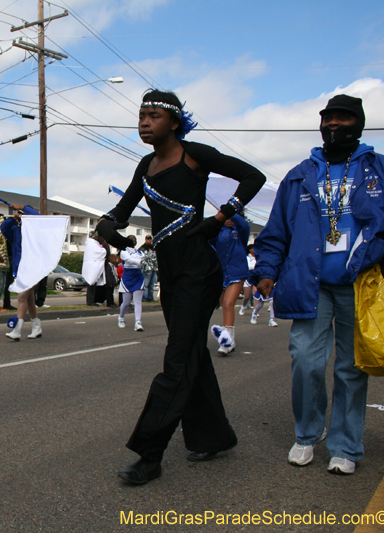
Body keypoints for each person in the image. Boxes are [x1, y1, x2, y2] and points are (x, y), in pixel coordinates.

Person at [96, 89, 265, 485]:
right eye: (141, 115)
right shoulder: (145, 164)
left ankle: (149, 455)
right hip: (169, 272)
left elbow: (252, 177)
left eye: (153, 115)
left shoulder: (195, 155)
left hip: (198, 270)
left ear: (173, 122)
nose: (144, 122)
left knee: (176, 360)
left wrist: (223, 214)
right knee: (192, 354)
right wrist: (108, 225)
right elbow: (121, 212)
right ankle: (215, 436)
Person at [252, 94, 384, 475]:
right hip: (310, 281)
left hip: (361, 283)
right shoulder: (299, 175)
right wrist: (267, 271)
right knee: (306, 361)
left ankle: (345, 445)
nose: (334, 125)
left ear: (358, 125)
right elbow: (277, 230)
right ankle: (308, 434)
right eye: (329, 118)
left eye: (343, 119)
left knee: (351, 367)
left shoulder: (383, 169)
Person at [209, 214, 250, 355]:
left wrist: (231, 211)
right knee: (223, 304)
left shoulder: (241, 231)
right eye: (225, 217)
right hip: (222, 273)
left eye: (231, 216)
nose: (228, 219)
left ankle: (227, 342)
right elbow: (208, 238)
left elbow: (244, 225)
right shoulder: (219, 232)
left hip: (237, 272)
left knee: (228, 303)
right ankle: (229, 337)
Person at [1, 204, 42, 340]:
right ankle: (36, 327)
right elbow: (3, 228)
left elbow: (39, 218)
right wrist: (14, 218)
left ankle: (17, 330)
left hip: (35, 269)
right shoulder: (16, 231)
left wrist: (24, 208)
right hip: (22, 269)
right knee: (29, 299)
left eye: (23, 214)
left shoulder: (37, 231)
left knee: (22, 297)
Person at [117, 235, 145, 331]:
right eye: (131, 239)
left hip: (138, 277)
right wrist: (141, 262)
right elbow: (129, 260)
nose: (133, 241)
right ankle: (121, 317)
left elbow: (145, 262)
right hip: (128, 278)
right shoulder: (123, 252)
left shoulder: (140, 252)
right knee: (126, 302)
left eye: (134, 239)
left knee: (137, 301)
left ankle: (138, 322)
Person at [239, 245, 256, 316]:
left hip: (255, 277)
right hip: (248, 278)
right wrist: (256, 266)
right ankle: (243, 307)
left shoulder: (258, 257)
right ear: (250, 250)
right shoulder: (247, 258)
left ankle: (255, 312)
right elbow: (248, 266)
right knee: (247, 296)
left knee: (255, 294)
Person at [139, 236, 158, 302]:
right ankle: (145, 298)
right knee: (146, 284)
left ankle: (151, 298)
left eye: (150, 239)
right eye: (148, 239)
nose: (149, 240)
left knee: (152, 284)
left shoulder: (153, 247)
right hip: (147, 269)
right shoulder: (143, 248)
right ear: (145, 239)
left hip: (154, 268)